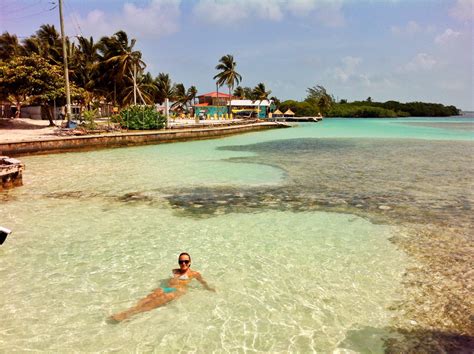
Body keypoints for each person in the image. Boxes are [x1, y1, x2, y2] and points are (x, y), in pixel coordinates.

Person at [110, 252, 215, 322]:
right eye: (181, 261)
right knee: (152, 295)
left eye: (186, 261)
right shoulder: (175, 271)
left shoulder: (195, 273)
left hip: (179, 290)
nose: (183, 263)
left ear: (190, 262)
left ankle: (130, 314)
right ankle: (129, 310)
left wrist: (209, 288)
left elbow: (203, 282)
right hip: (169, 287)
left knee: (160, 299)